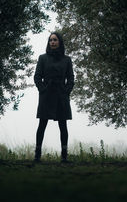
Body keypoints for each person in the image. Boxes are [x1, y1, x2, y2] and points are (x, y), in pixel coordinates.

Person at [33, 32, 74, 163]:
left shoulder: (67, 60)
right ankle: (37, 155)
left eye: (55, 40)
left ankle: (64, 156)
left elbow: (71, 78)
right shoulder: (42, 58)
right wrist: (42, 89)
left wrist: (66, 91)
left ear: (60, 42)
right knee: (42, 124)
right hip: (46, 94)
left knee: (63, 125)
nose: (52, 42)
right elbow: (37, 76)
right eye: (51, 40)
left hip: (61, 95)